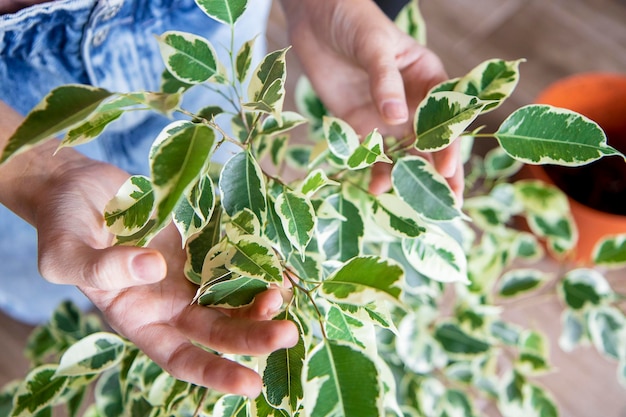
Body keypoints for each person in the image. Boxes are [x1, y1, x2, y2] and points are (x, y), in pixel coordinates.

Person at [0, 0, 462, 398]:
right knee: (48, 261)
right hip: (11, 85)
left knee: (205, 185)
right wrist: (37, 175)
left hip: (201, 17)